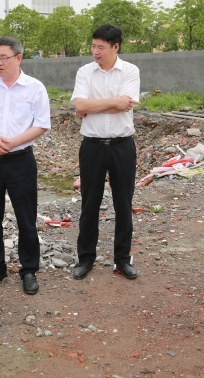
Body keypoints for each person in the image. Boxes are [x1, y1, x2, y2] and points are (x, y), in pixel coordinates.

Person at [0, 36, 50, 295]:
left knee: (26, 217)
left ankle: (29, 270)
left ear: (18, 58)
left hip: (20, 160)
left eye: (4, 57)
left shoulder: (34, 88)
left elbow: (41, 124)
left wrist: (12, 142)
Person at [70, 24, 140, 280]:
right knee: (89, 204)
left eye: (101, 47)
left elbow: (125, 106)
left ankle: (122, 259)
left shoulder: (130, 71)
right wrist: (113, 102)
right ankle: (86, 258)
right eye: (93, 46)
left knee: (123, 204)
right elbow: (80, 106)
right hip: (92, 146)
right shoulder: (85, 71)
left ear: (115, 47)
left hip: (122, 146)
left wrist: (93, 106)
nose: (95, 51)